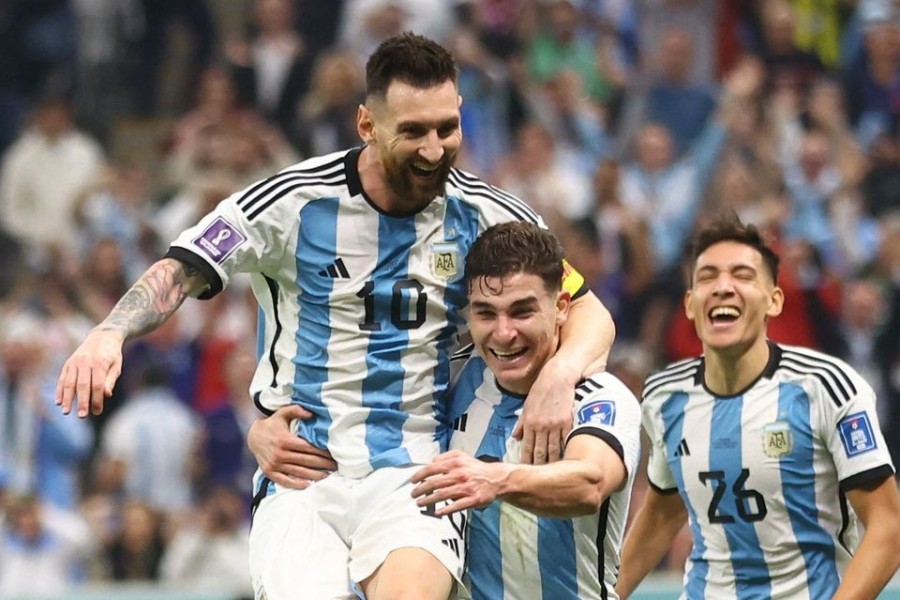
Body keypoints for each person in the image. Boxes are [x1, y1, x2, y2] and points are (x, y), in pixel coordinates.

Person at [55, 32, 615, 600]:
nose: (433, 149)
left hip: (416, 471)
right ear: (368, 126)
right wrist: (111, 332)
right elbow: (180, 269)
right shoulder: (291, 203)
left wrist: (559, 376)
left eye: (447, 128)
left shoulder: (486, 214)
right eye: (413, 132)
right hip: (301, 475)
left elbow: (589, 310)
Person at [617, 214, 900, 599]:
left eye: (742, 275)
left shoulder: (825, 387)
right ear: (689, 304)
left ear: (774, 300)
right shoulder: (665, 395)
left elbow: (888, 525)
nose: (723, 287)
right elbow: (664, 509)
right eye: (707, 277)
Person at [409, 221, 641, 599]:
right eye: (486, 314)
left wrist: (496, 481)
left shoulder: (600, 396)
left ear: (561, 307)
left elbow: (590, 483)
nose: (503, 333)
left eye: (521, 312)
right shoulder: (454, 381)